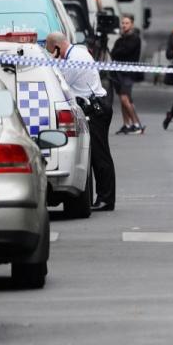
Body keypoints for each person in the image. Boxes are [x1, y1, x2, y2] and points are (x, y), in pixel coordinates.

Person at [45, 32, 116, 211]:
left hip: (95, 108)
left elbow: (60, 83)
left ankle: (106, 199)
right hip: (97, 105)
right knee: (96, 155)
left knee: (99, 156)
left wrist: (53, 61)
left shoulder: (73, 60)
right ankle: (103, 198)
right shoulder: (77, 52)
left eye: (52, 51)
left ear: (57, 48)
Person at [110, 14, 145, 135]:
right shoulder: (120, 39)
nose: (124, 25)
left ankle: (136, 124)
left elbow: (124, 52)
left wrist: (118, 52)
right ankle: (126, 124)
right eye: (123, 23)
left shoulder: (135, 38)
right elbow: (113, 53)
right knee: (122, 99)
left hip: (128, 73)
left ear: (132, 24)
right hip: (118, 72)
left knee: (125, 99)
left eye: (127, 23)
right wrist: (117, 52)